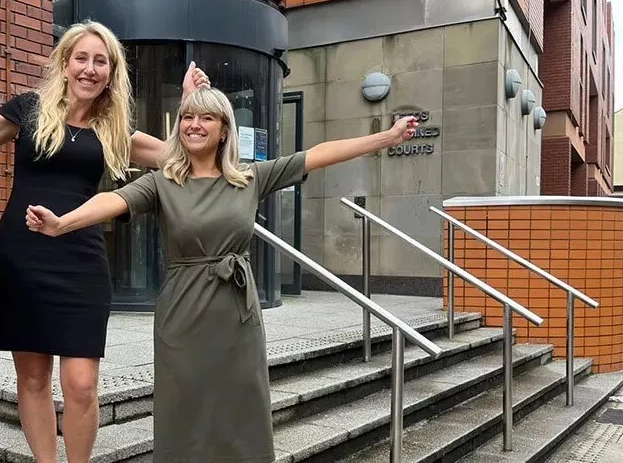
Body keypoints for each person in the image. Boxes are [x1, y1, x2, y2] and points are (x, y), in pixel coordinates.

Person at [24, 87, 418, 462]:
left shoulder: (249, 177)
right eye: (187, 117)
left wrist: (385, 138)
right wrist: (63, 224)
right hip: (183, 315)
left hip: (236, 315)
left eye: (206, 118)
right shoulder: (162, 182)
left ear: (224, 128)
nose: (194, 124)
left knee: (239, 409)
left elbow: (316, 154)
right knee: (185, 410)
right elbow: (112, 200)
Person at [0, 21, 208, 463]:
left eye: (101, 61)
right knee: (31, 380)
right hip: (21, 258)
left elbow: (176, 155)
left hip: (81, 263)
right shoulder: (28, 109)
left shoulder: (113, 130)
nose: (90, 69)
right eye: (82, 58)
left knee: (82, 384)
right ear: (65, 63)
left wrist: (190, 105)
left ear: (111, 72)